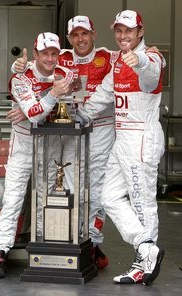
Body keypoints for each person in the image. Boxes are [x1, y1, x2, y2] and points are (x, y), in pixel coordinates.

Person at [9, 15, 117, 270]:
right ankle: (70, 239)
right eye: (75, 35)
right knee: (70, 186)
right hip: (69, 129)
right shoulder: (60, 57)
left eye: (85, 34)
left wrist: (152, 50)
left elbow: (135, 58)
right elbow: (33, 80)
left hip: (101, 129)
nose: (81, 39)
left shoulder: (110, 56)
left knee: (96, 190)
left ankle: (92, 243)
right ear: (69, 38)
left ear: (93, 34)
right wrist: (18, 70)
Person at [76, 10, 165, 285]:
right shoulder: (116, 62)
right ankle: (146, 248)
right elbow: (103, 93)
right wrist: (78, 115)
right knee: (108, 196)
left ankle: (143, 262)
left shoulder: (151, 58)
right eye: (118, 31)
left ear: (140, 31)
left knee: (142, 203)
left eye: (128, 31)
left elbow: (150, 75)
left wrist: (138, 60)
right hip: (122, 139)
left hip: (141, 140)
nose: (123, 36)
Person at [0, 32, 73, 278]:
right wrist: (49, 98)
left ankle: (41, 249)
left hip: (50, 144)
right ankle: (0, 252)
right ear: (35, 54)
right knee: (13, 198)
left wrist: (28, 110)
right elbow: (36, 113)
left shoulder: (65, 74)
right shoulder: (20, 78)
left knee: (46, 198)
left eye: (54, 53)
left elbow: (73, 105)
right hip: (23, 144)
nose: (50, 58)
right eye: (44, 53)